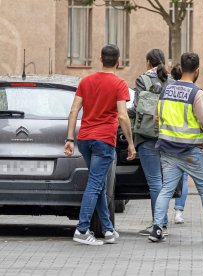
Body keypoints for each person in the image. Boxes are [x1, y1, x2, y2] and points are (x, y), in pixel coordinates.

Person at [148, 52, 203, 242]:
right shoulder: (197, 93)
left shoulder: (166, 90)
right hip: (191, 151)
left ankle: (157, 229)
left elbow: (156, 117)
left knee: (166, 189)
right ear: (197, 71)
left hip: (167, 148)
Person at [64, 44, 136, 245]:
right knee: (95, 184)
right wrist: (130, 143)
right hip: (103, 140)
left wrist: (69, 139)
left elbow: (73, 111)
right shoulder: (119, 84)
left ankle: (108, 229)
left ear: (100, 58)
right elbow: (123, 115)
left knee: (100, 184)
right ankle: (82, 229)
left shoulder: (86, 81)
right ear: (118, 61)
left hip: (85, 139)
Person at [128, 49, 176, 236]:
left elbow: (138, 107)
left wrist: (122, 114)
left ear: (148, 62)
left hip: (147, 136)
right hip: (168, 136)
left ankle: (159, 224)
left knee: (155, 181)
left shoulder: (143, 80)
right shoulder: (172, 81)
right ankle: (162, 222)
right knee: (165, 182)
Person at [170, 64, 189, 224]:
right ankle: (178, 212)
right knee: (184, 176)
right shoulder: (193, 91)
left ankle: (159, 217)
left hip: (168, 140)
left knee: (165, 179)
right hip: (186, 141)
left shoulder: (167, 92)